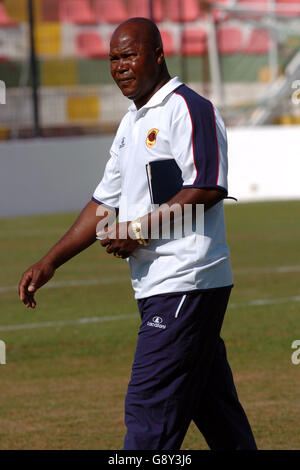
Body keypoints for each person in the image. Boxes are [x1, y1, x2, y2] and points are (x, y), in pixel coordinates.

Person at [19, 17, 257, 451]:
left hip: (186, 281)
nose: (120, 66)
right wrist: (49, 261)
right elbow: (102, 205)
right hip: (158, 287)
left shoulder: (187, 107)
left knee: (148, 417)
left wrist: (138, 231)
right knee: (218, 415)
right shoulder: (131, 124)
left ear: (158, 55)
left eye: (129, 55)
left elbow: (207, 186)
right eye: (113, 58)